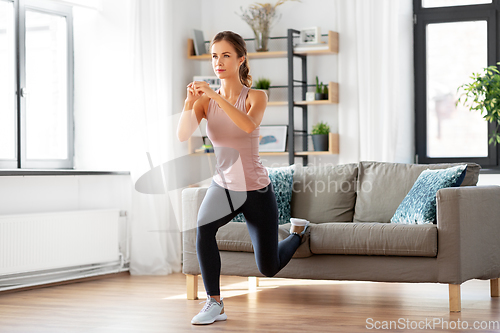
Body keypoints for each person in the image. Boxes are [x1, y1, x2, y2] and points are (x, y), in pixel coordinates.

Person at [176, 30, 310, 326]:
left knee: (269, 268)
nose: (218, 62)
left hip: (256, 189)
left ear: (240, 60)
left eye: (225, 55)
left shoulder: (257, 97)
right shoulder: (203, 102)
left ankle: (298, 233)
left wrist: (212, 93)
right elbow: (183, 134)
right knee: (203, 229)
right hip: (223, 185)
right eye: (214, 56)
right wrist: (189, 102)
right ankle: (215, 302)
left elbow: (247, 126)